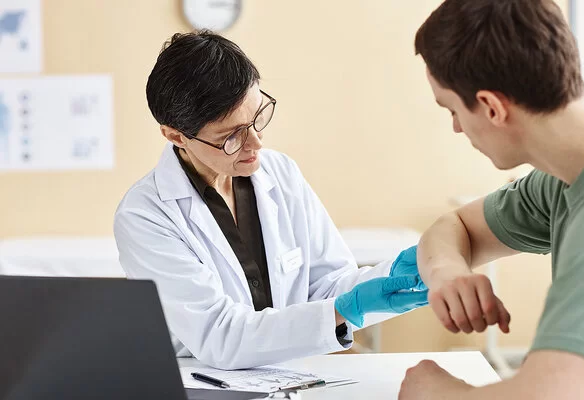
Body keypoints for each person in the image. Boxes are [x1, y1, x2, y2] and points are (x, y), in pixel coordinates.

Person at [114, 31, 428, 370]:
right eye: (231, 136)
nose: (256, 143)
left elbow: (329, 287)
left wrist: (386, 281)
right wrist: (343, 309)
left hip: (294, 375)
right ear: (176, 135)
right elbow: (219, 336)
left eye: (257, 117)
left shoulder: (280, 172)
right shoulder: (145, 215)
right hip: (207, 385)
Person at [399, 0, 584, 399]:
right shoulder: (568, 177)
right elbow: (454, 226)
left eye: (453, 110)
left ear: (492, 107)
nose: (458, 128)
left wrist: (432, 392)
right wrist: (448, 273)